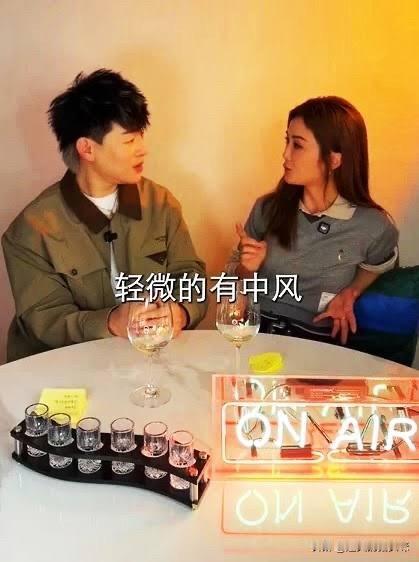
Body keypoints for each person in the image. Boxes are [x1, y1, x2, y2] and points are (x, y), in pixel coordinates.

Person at [2, 69, 207, 362]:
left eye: (141, 136)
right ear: (87, 148)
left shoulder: (161, 204)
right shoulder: (31, 230)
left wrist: (181, 312)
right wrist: (110, 322)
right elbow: (45, 319)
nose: (143, 150)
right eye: (129, 141)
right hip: (64, 369)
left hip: (147, 362)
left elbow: (191, 278)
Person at [234, 96, 398, 347]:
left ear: (334, 159)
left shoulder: (374, 226)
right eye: (287, 141)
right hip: (258, 337)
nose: (285, 154)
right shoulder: (267, 209)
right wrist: (248, 269)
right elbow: (237, 281)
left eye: (297, 145)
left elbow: (381, 266)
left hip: (320, 349)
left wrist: (351, 292)